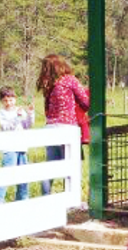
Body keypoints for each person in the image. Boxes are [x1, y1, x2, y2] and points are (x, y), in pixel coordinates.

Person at [37, 54, 89, 195]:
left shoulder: (48, 85)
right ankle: (71, 200)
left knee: (51, 166)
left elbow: (47, 110)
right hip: (67, 128)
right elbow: (86, 102)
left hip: (50, 128)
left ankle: (46, 197)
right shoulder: (70, 80)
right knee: (72, 166)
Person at [0, 86, 34, 204]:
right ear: (1, 101)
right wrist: (17, 117)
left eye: (10, 100)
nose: (8, 103)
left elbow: (27, 125)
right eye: (5, 100)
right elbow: (6, 127)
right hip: (9, 148)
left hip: (22, 147)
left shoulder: (20, 111)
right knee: (6, 175)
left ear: (15, 99)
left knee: (23, 176)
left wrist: (30, 113)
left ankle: (22, 199)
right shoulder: (1, 113)